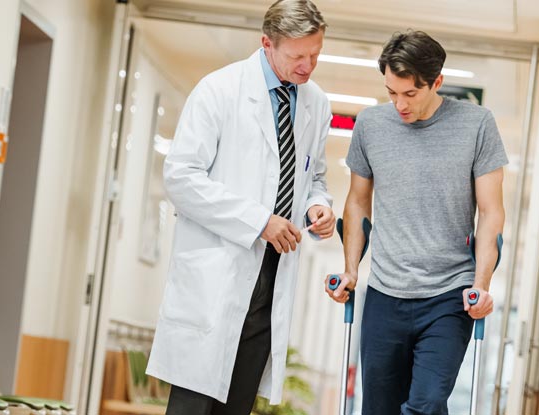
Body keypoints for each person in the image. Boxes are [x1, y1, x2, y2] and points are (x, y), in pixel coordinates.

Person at [145, 1, 336, 414]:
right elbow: (181, 176)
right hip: (220, 270)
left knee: (238, 403)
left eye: (316, 54)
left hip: (271, 275)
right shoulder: (220, 90)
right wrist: (258, 222)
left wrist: (318, 207)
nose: (308, 66)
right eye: (298, 56)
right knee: (193, 405)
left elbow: (313, 176)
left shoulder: (316, 104)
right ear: (267, 43)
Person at [327, 30, 508, 415]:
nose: (399, 105)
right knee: (380, 409)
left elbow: (491, 210)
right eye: (392, 92)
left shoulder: (476, 124)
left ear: (437, 82)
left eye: (410, 94)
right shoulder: (371, 125)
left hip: (448, 294)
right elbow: (358, 203)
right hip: (385, 293)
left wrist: (481, 285)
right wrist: (350, 271)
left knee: (426, 405)